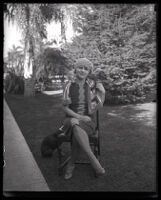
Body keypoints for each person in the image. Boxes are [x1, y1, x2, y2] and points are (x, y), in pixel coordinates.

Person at [62, 58, 106, 180]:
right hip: (70, 120)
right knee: (74, 123)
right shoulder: (68, 85)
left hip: (87, 121)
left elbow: (95, 107)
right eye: (80, 67)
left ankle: (71, 165)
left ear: (89, 72)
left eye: (86, 69)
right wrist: (79, 117)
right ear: (75, 69)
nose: (82, 70)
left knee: (77, 131)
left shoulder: (91, 85)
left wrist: (103, 93)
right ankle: (93, 160)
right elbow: (65, 109)